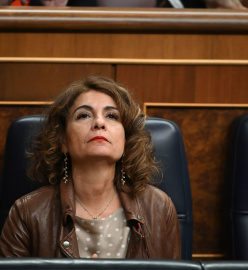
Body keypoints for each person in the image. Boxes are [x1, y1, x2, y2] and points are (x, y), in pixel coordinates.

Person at [0, 76, 181, 259]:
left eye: (112, 116)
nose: (99, 123)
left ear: (126, 140)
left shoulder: (159, 208)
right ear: (62, 140)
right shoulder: (27, 213)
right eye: (84, 115)